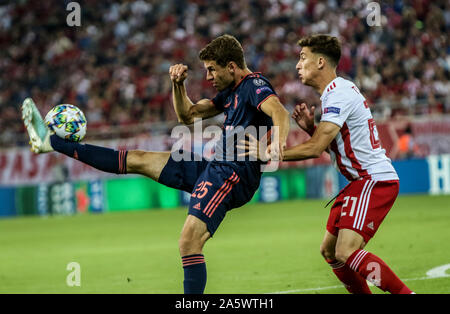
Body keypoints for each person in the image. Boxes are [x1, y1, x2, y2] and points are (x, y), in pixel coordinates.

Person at [22, 34, 290, 294]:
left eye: (211, 70)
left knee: (188, 243)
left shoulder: (254, 86)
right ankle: (52, 144)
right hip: (215, 166)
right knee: (138, 159)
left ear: (231, 67)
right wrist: (178, 85)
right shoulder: (231, 91)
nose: (208, 77)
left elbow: (279, 110)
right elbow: (189, 115)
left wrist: (275, 143)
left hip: (232, 175)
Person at [240, 34, 413, 294]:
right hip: (359, 182)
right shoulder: (335, 93)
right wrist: (312, 128)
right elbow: (335, 146)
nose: (298, 65)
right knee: (330, 251)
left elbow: (316, 148)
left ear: (320, 62)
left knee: (346, 250)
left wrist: (268, 153)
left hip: (372, 180)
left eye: (302, 58)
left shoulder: (339, 93)